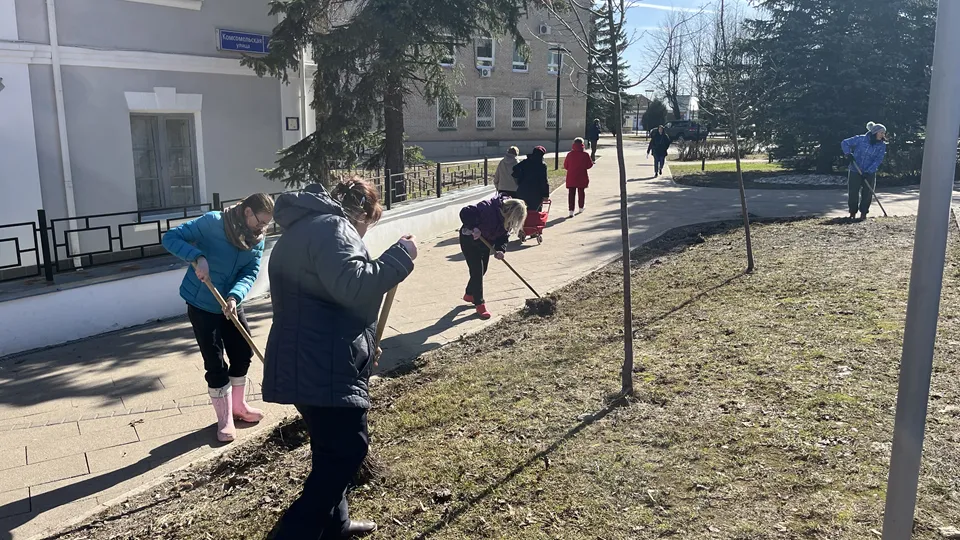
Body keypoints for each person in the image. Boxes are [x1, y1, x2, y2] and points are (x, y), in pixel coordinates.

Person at [263, 178, 417, 539]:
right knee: (349, 448)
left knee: (329, 447)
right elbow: (353, 286)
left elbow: (326, 298)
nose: (363, 233)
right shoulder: (335, 226)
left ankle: (337, 525)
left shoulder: (302, 228)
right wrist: (399, 256)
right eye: (368, 222)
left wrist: (363, 344)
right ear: (360, 211)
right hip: (324, 361)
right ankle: (292, 533)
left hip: (309, 355)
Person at [162, 193, 275, 443]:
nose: (263, 228)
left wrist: (235, 297)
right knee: (215, 361)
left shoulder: (256, 237)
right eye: (260, 221)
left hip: (230, 303)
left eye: (267, 223)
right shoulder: (213, 222)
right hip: (202, 302)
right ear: (247, 212)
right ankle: (224, 419)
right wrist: (197, 257)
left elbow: (250, 270)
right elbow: (170, 238)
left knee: (242, 351)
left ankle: (238, 406)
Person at [458, 196, 527, 320]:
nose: (513, 223)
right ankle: (480, 304)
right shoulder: (487, 207)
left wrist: (500, 249)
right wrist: (474, 227)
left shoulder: (506, 220)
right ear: (509, 212)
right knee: (477, 272)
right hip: (469, 241)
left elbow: (503, 236)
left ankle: (469, 294)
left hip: (485, 242)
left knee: (482, 270)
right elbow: (465, 212)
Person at [841, 121, 887, 220]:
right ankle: (852, 213)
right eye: (881, 132)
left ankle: (863, 213)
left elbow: (878, 159)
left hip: (869, 172)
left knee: (867, 193)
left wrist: (869, 171)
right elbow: (845, 142)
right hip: (855, 169)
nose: (883, 135)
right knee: (853, 192)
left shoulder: (882, 145)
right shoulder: (861, 139)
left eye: (884, 133)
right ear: (875, 132)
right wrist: (848, 154)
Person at [513, 145, 550, 213]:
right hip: (536, 193)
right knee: (535, 213)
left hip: (522, 191)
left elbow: (514, 171)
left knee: (522, 212)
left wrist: (518, 182)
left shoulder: (525, 162)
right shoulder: (542, 165)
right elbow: (544, 181)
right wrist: (545, 195)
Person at [563, 137, 594, 218]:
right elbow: (589, 165)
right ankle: (581, 207)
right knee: (581, 192)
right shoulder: (585, 154)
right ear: (582, 144)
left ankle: (571, 211)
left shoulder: (570, 154)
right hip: (582, 176)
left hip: (571, 176)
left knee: (571, 194)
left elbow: (566, 166)